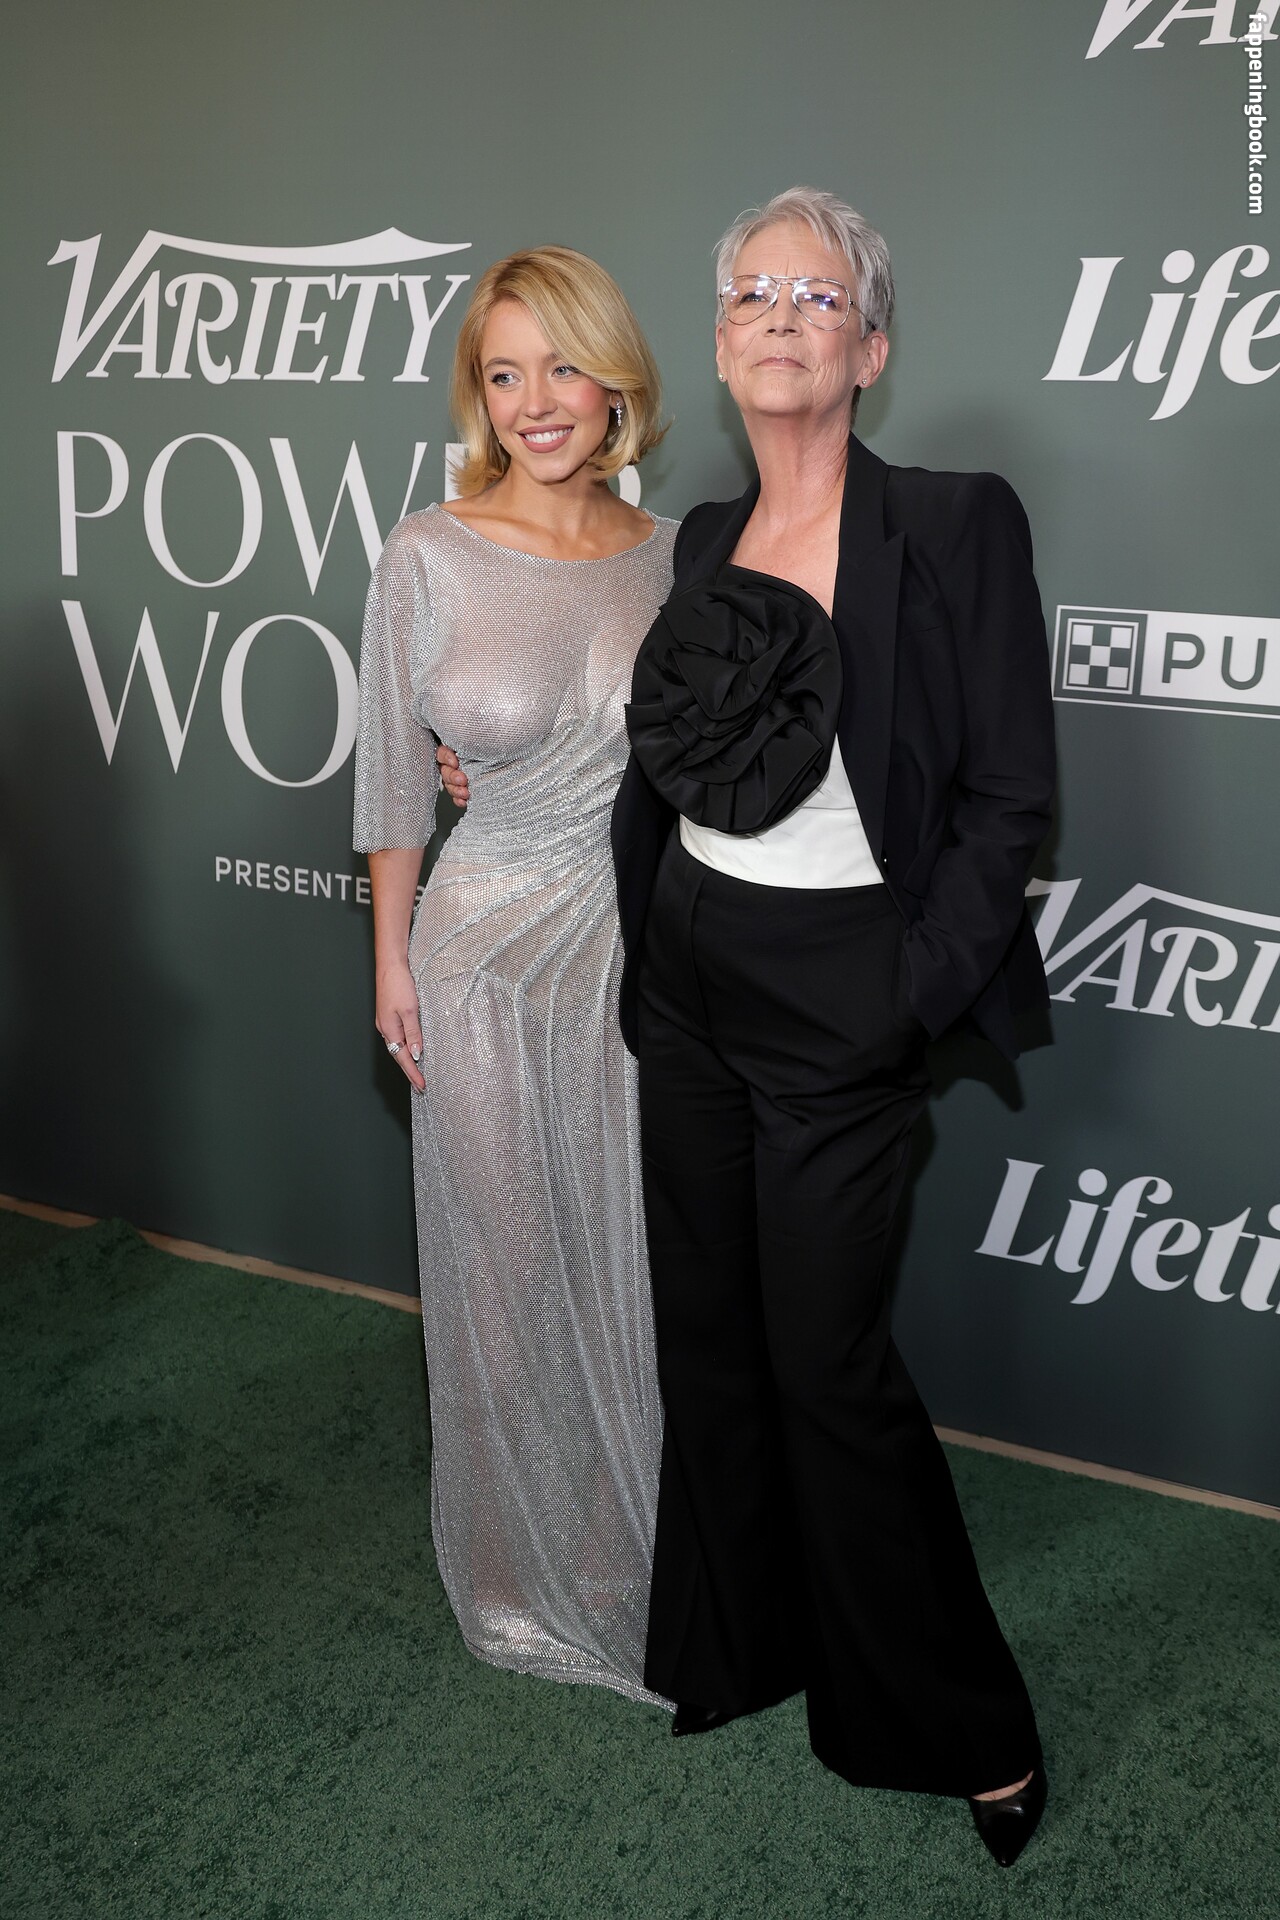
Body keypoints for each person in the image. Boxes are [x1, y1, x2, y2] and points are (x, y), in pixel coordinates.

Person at [610, 188, 1057, 1865]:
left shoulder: (954, 524)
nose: (781, 315)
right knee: (712, 1334)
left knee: (828, 1363)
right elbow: (675, 754)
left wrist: (907, 993)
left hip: (845, 994)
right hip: (692, 979)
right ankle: (748, 1640)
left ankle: (962, 1721)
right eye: (753, 292)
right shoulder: (700, 539)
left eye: (817, 293)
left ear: (869, 348)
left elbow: (1008, 800)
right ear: (723, 344)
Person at [353, 245, 676, 1705]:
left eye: (562, 366)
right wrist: (390, 962)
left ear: (616, 381)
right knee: (507, 1266)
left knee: (632, 1260)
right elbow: (391, 781)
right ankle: (516, 1578)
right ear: (476, 396)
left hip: (637, 954)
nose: (535, 401)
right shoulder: (428, 552)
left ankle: (636, 1551)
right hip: (477, 959)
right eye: (503, 373)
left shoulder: (677, 554)